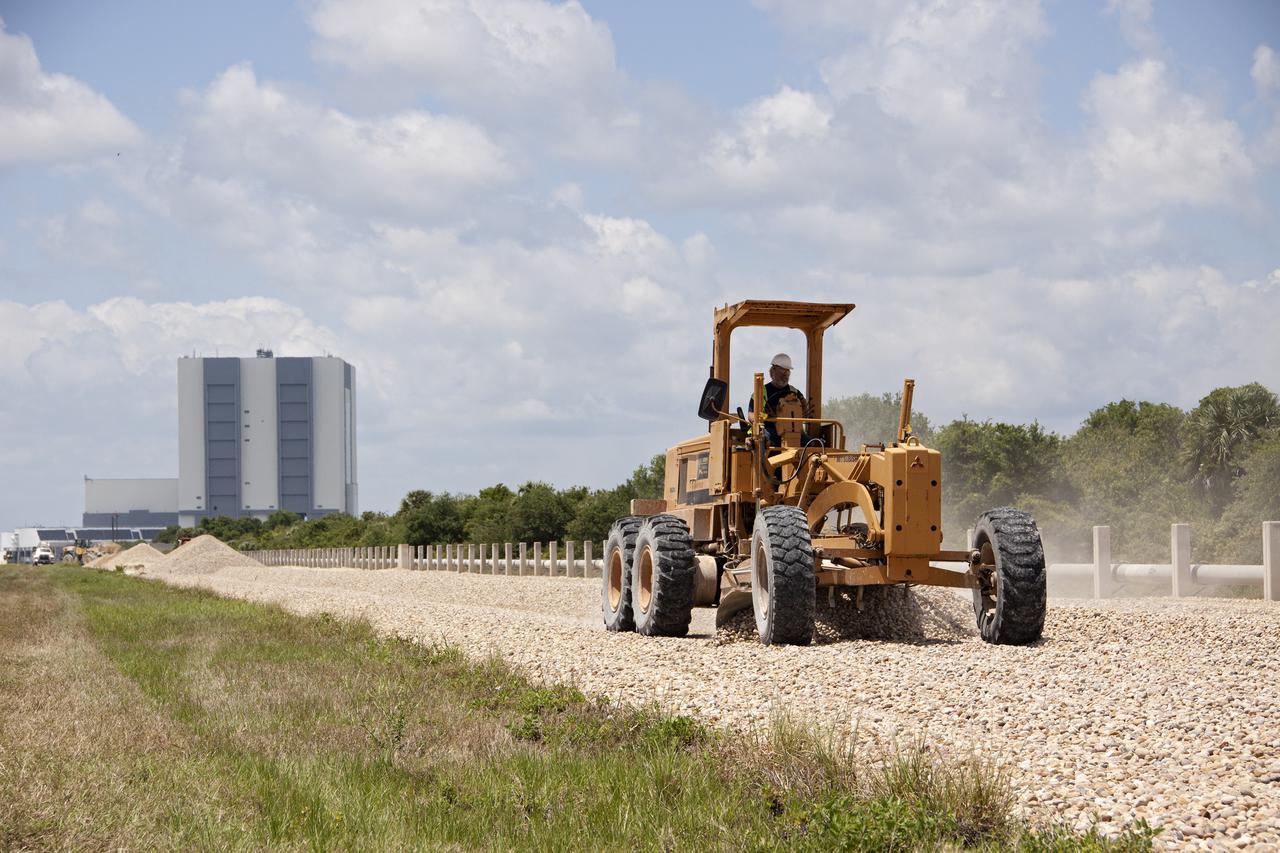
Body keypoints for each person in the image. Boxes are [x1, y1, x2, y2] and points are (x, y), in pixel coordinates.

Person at [749, 353, 807, 445]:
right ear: (772, 371)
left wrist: (803, 412)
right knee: (766, 439)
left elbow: (805, 407)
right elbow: (751, 415)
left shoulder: (794, 391)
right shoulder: (760, 392)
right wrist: (767, 417)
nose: (786, 374)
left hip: (792, 430)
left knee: (809, 443)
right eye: (782, 370)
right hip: (769, 428)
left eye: (787, 371)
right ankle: (762, 458)